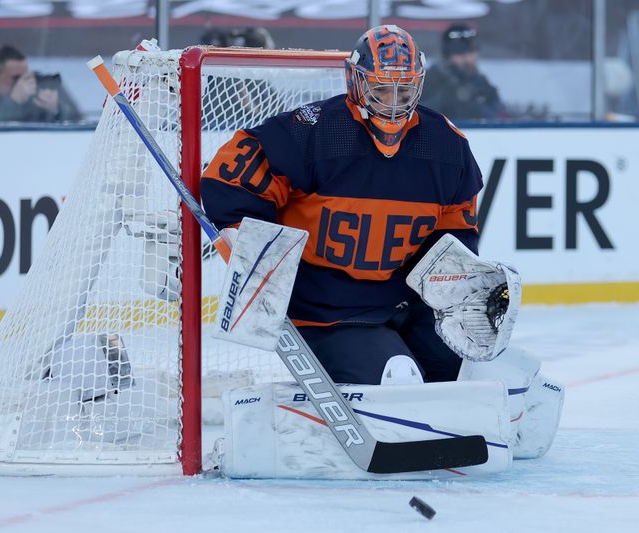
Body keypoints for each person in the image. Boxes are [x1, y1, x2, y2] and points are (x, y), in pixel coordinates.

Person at [201, 25, 483, 385]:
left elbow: (456, 232)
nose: (394, 102)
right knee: (397, 378)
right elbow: (229, 176)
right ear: (356, 81)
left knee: (476, 368)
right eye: (381, 89)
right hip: (327, 311)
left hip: (407, 304)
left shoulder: (446, 145)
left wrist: (462, 284)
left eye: (405, 90)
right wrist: (250, 243)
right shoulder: (314, 131)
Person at [419, 22, 506, 122]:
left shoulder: (481, 82)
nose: (467, 58)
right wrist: (443, 100)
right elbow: (416, 117)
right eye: (459, 52)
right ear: (447, 55)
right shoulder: (430, 79)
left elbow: (500, 119)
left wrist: (475, 107)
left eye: (472, 51)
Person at [0, 45, 82, 123]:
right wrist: (14, 101)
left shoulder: (39, 86)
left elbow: (78, 120)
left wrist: (57, 110)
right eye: (16, 78)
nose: (24, 84)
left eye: (26, 77)